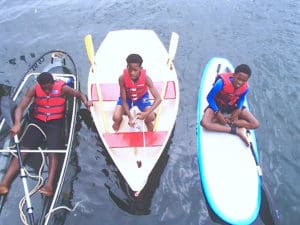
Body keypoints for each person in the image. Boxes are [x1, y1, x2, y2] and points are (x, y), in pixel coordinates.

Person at [0, 72, 93, 196]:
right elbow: (20, 108)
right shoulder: (33, 89)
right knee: (22, 150)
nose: (47, 91)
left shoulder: (63, 88)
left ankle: (49, 186)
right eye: (44, 88)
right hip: (37, 122)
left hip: (55, 123)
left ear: (53, 83)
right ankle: (4, 183)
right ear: (39, 85)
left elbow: (79, 94)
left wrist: (86, 101)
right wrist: (17, 123)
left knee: (53, 152)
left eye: (49, 87)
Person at [200, 64, 259, 146]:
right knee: (204, 123)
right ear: (234, 75)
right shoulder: (220, 83)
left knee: (255, 124)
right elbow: (209, 98)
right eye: (238, 78)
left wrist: (238, 109)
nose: (240, 82)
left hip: (232, 106)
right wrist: (218, 113)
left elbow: (241, 98)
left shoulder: (246, 88)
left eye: (243, 80)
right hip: (218, 104)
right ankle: (236, 131)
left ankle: (228, 121)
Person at [112, 54, 162, 132]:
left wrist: (147, 113)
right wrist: (130, 117)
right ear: (127, 67)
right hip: (127, 98)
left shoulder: (146, 78)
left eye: (135, 70)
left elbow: (158, 99)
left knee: (151, 117)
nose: (132, 73)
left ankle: (147, 122)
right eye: (130, 69)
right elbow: (124, 100)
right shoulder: (122, 78)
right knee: (116, 117)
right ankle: (121, 118)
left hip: (141, 97)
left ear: (140, 69)